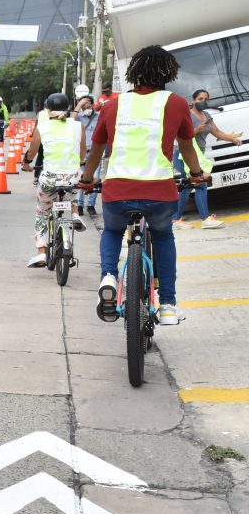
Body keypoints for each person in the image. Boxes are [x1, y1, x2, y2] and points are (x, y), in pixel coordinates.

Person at [79, 45, 206, 326]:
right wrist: (196, 174)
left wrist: (87, 180)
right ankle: (169, 305)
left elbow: (97, 147)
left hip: (117, 190)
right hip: (159, 191)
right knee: (162, 237)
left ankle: (108, 277)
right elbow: (186, 145)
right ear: (168, 73)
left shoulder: (113, 105)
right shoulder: (175, 103)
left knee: (112, 230)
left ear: (133, 74)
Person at [22, 92, 87, 268]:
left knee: (42, 213)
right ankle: (74, 213)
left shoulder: (42, 128)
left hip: (50, 178)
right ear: (67, 108)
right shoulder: (78, 126)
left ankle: (41, 252)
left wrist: (26, 163)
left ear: (48, 109)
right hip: (72, 175)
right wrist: (79, 162)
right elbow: (82, 151)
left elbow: (32, 152)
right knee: (73, 186)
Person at [172, 89, 241, 229]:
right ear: (193, 100)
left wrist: (232, 139)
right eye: (200, 99)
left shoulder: (207, 115)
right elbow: (180, 135)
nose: (203, 101)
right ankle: (205, 219)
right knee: (200, 184)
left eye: (206, 99)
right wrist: (198, 129)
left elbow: (217, 132)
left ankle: (175, 220)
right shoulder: (187, 114)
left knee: (188, 186)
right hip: (185, 155)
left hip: (197, 156)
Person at [75, 94, 100, 216]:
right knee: (81, 180)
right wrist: (78, 106)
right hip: (81, 154)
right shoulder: (79, 118)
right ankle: (80, 205)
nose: (86, 107)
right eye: (83, 106)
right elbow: (70, 119)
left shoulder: (99, 117)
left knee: (94, 180)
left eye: (88, 105)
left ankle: (91, 205)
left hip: (95, 153)